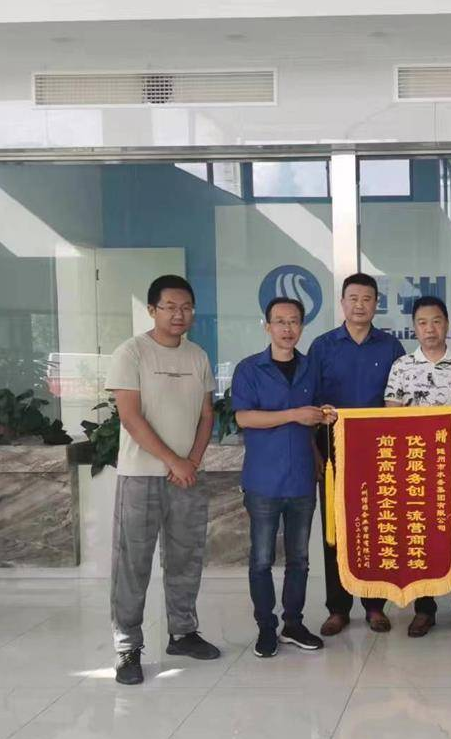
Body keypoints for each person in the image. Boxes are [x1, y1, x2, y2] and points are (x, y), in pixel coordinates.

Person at [106, 274, 221, 685]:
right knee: (132, 562)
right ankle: (127, 647)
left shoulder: (197, 356)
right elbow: (130, 417)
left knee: (186, 557)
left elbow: (206, 415)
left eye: (186, 307)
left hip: (187, 477)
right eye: (170, 307)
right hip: (141, 476)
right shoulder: (131, 352)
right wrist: (175, 461)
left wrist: (192, 461)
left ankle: (183, 632)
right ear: (152, 310)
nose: (179, 314)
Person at [231, 296, 336, 659]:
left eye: (294, 322)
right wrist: (293, 414)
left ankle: (293, 624)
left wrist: (322, 420)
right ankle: (266, 628)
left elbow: (313, 418)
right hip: (263, 480)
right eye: (280, 321)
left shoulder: (310, 368)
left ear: (302, 327)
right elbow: (244, 418)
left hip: (302, 479)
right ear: (267, 326)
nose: (287, 328)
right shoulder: (249, 369)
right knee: (261, 559)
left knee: (299, 559)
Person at [308, 273, 406, 635]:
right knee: (335, 530)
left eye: (367, 299)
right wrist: (314, 450)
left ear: (376, 304)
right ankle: (338, 608)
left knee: (376, 528)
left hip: (378, 453)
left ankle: (374, 605)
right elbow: (310, 401)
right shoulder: (322, 346)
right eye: (353, 298)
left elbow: (401, 401)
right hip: (333, 451)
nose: (360, 305)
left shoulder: (391, 347)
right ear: (342, 302)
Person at [383, 295, 451, 638]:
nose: (430, 329)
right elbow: (391, 417)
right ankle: (424, 610)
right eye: (423, 323)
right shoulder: (401, 367)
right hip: (416, 469)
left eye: (436, 321)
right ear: (414, 327)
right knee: (420, 538)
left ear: (447, 324)